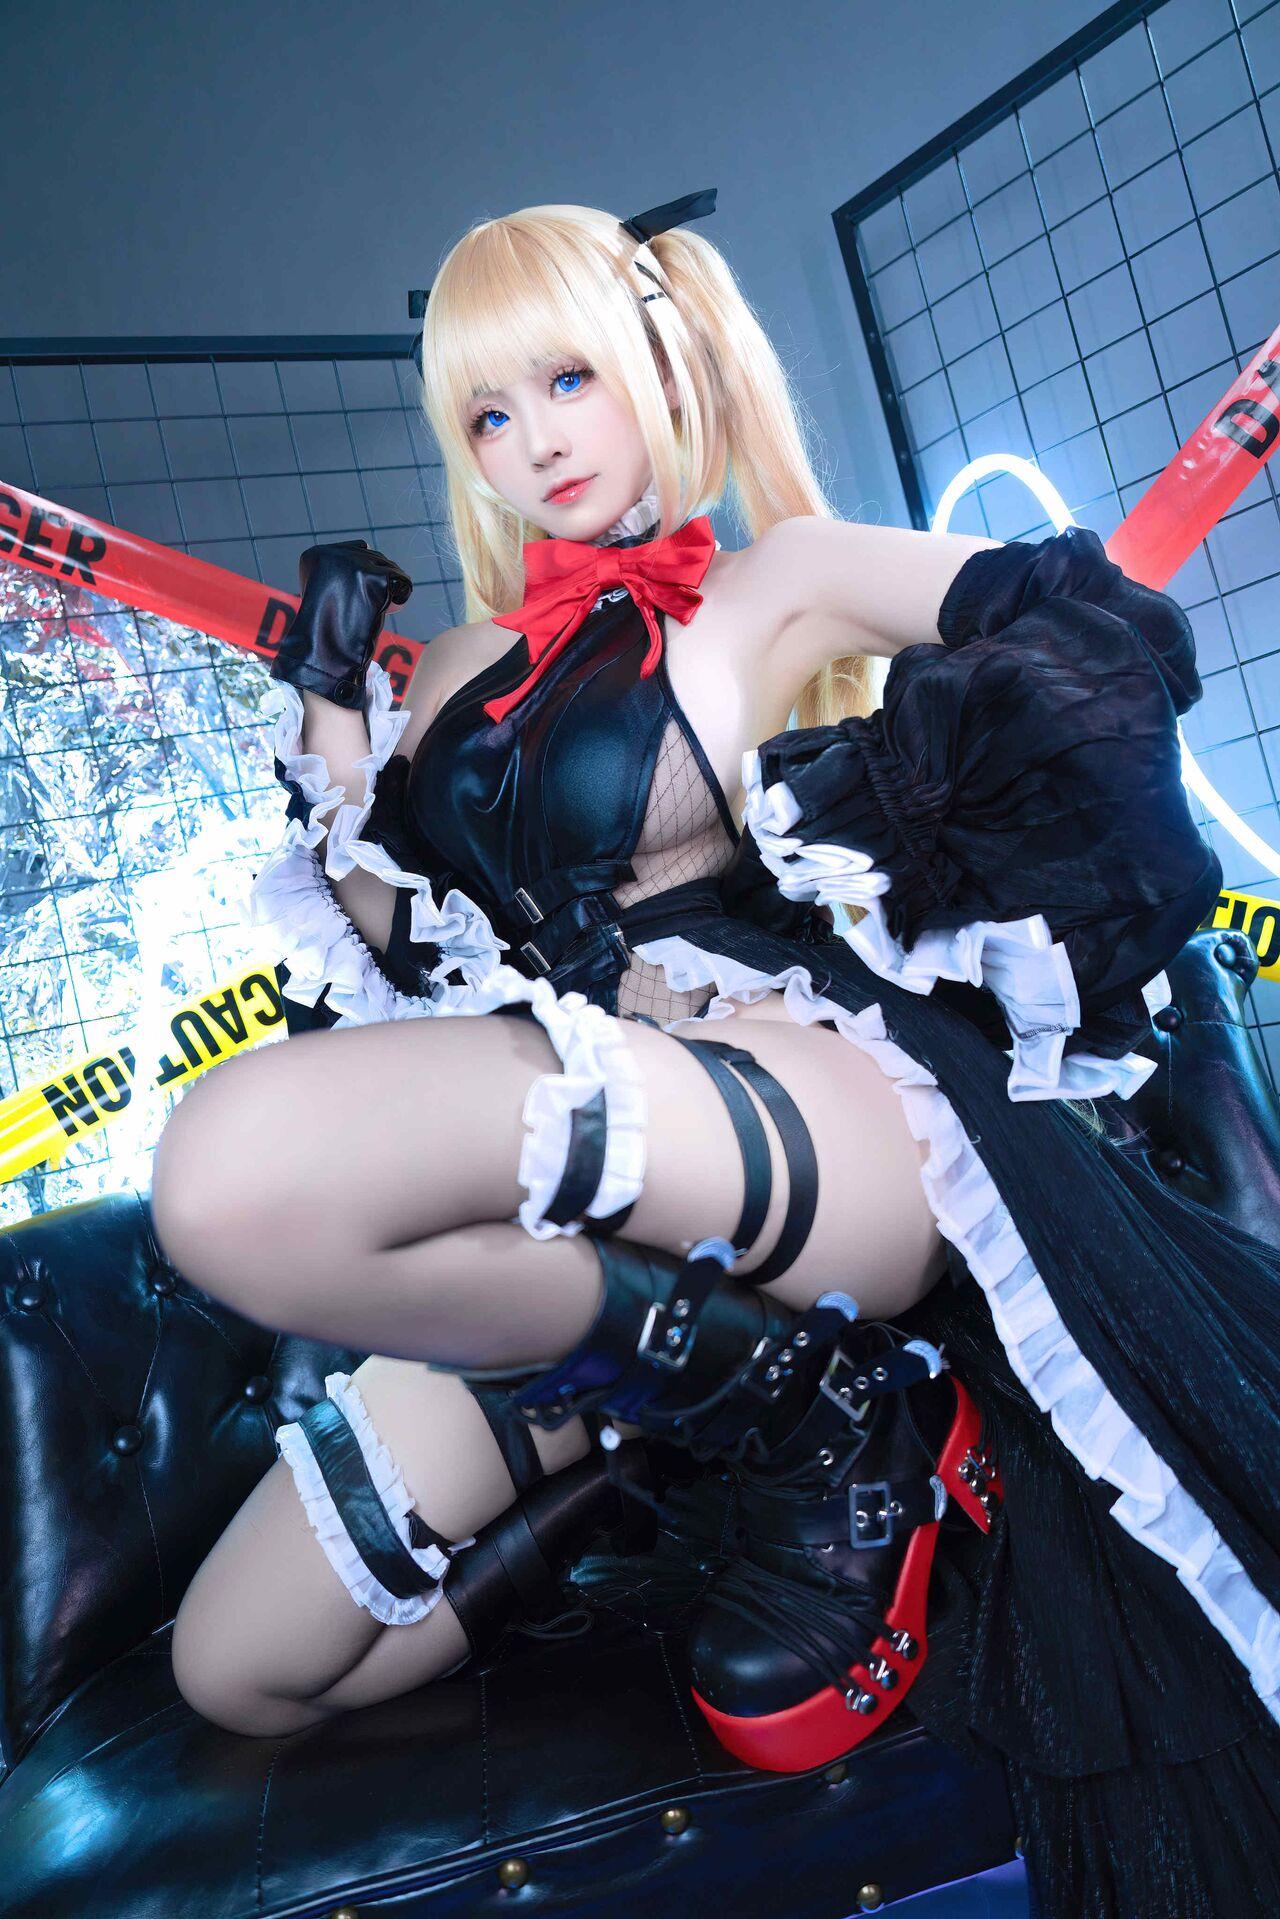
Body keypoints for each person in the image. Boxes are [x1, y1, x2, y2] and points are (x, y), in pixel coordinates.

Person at [148, 190, 1280, 1916]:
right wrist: (331, 723)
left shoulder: (771, 586)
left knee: (230, 1171)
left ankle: (839, 1413)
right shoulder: (455, 672)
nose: (536, 441)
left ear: (661, 362)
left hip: (808, 1099)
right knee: (239, 1665)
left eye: (567, 381)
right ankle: (682, 1430)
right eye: (488, 415)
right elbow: (389, 964)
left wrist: (911, 812)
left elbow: (1086, 620)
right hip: (593, 1192)